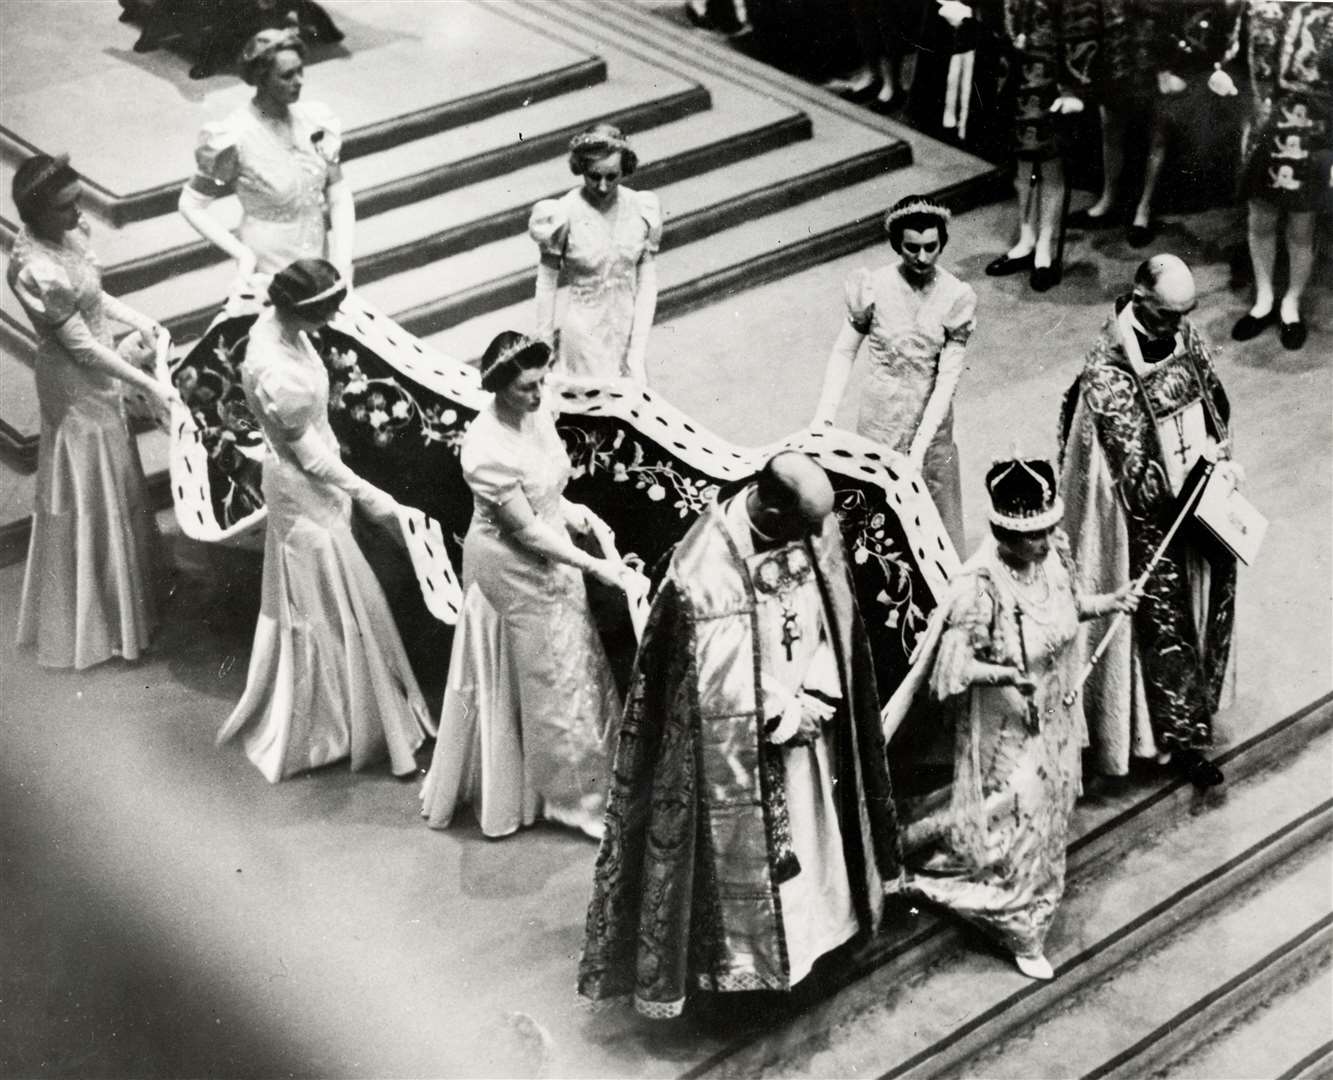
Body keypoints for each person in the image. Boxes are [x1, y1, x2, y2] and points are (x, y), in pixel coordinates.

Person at [579, 452, 902, 1018]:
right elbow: (696, 685)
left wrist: (821, 697)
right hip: (746, 755)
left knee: (819, 837)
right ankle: (760, 979)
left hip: (814, 730)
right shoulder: (700, 573)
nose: (816, 536)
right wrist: (780, 713)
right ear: (770, 505)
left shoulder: (813, 531)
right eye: (803, 526)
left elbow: (838, 624)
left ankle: (822, 943)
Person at [883, 456, 1139, 980]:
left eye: (1048, 531)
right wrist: (1006, 678)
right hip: (1005, 721)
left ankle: (1024, 891)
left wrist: (1111, 602)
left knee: (1045, 815)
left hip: (1053, 710)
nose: (1044, 543)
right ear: (1002, 533)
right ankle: (1019, 925)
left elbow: (1065, 610)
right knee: (1019, 810)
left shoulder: (1053, 558)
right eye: (1033, 537)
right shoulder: (979, 587)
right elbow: (950, 674)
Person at [219, 259, 433, 782]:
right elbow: (311, 460)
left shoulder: (277, 329)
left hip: (311, 479)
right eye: (327, 310)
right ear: (299, 309)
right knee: (318, 597)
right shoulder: (276, 369)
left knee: (337, 593)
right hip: (302, 491)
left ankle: (357, 708)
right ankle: (332, 723)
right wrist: (374, 498)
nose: (336, 317)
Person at [420, 331, 630, 839]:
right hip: (509, 565)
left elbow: (549, 493)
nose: (538, 396)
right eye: (526, 388)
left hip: (552, 547)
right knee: (551, 676)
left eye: (541, 383)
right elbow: (526, 529)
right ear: (498, 388)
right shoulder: (485, 449)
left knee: (574, 663)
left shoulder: (537, 412)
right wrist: (593, 565)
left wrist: (577, 515)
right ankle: (576, 801)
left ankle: (596, 777)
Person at [1059, 254, 1240, 789]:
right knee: (1155, 624)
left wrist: (1216, 462)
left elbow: (1214, 407)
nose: (1179, 327)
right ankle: (1145, 741)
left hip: (1197, 506)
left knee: (1195, 609)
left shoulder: (1185, 336)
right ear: (1139, 302)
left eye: (1187, 313)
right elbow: (1094, 474)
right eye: (1168, 315)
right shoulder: (1107, 372)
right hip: (1138, 526)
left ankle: (1187, 735)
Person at [7, 154, 179, 670]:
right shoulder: (34, 269)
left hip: (101, 368)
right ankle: (98, 616)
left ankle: (133, 596)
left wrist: (143, 321)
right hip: (72, 382)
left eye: (77, 200)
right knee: (88, 479)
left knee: (117, 467)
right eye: (64, 207)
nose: (77, 214)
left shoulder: (69, 234)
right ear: (36, 214)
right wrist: (149, 382)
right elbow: (80, 347)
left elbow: (96, 298)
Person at [812, 196, 975, 555]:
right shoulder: (872, 287)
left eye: (931, 247)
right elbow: (844, 350)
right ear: (896, 245)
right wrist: (824, 415)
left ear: (942, 243)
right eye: (911, 248)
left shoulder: (957, 296)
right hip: (880, 418)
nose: (922, 257)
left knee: (933, 510)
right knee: (878, 515)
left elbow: (947, 380)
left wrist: (918, 450)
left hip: (930, 423)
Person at [178, 25, 353, 285]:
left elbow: (338, 192)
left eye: (300, 71)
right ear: (262, 77)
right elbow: (190, 204)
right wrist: (242, 254)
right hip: (270, 262)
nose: (299, 81)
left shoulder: (315, 120)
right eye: (287, 75)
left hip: (320, 254)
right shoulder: (234, 137)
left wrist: (343, 261)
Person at [937, 0, 1089, 292]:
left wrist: (1075, 89)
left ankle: (1046, 246)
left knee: (1049, 162)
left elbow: (1079, 28)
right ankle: (1026, 238)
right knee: (1024, 160)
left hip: (1052, 75)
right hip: (1015, 72)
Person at [1216, 2, 1331, 352]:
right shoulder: (1257, 5)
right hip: (1263, 129)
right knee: (1260, 217)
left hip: (1316, 134)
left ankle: (1291, 304)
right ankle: (1263, 299)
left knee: (1302, 225)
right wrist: (1222, 76)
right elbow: (1233, 62)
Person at [528, 125, 662, 382]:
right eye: (593, 176)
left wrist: (636, 350)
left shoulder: (642, 208)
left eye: (612, 177)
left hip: (626, 329)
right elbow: (546, 283)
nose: (602, 187)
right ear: (580, 168)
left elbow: (647, 284)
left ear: (625, 169)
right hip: (583, 335)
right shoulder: (562, 213)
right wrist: (544, 350)